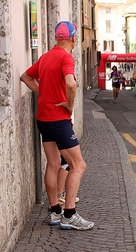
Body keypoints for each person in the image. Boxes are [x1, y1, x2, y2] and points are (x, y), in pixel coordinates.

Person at [20, 20, 94, 230]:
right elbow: (71, 83)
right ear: (73, 38)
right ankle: (69, 214)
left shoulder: (45, 57)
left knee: (53, 163)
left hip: (43, 118)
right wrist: (69, 105)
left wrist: (43, 93)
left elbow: (25, 76)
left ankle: (55, 212)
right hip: (59, 119)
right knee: (78, 165)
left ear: (56, 37)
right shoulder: (65, 57)